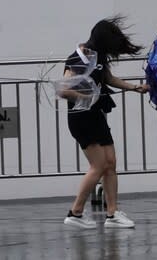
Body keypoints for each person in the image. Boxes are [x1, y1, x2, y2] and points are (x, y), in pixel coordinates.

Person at [63, 16, 149, 229]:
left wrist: (134, 87)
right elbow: (64, 89)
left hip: (96, 115)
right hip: (81, 117)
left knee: (110, 163)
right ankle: (75, 212)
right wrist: (85, 97)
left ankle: (112, 213)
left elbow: (108, 79)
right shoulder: (79, 57)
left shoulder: (99, 57)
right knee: (98, 165)